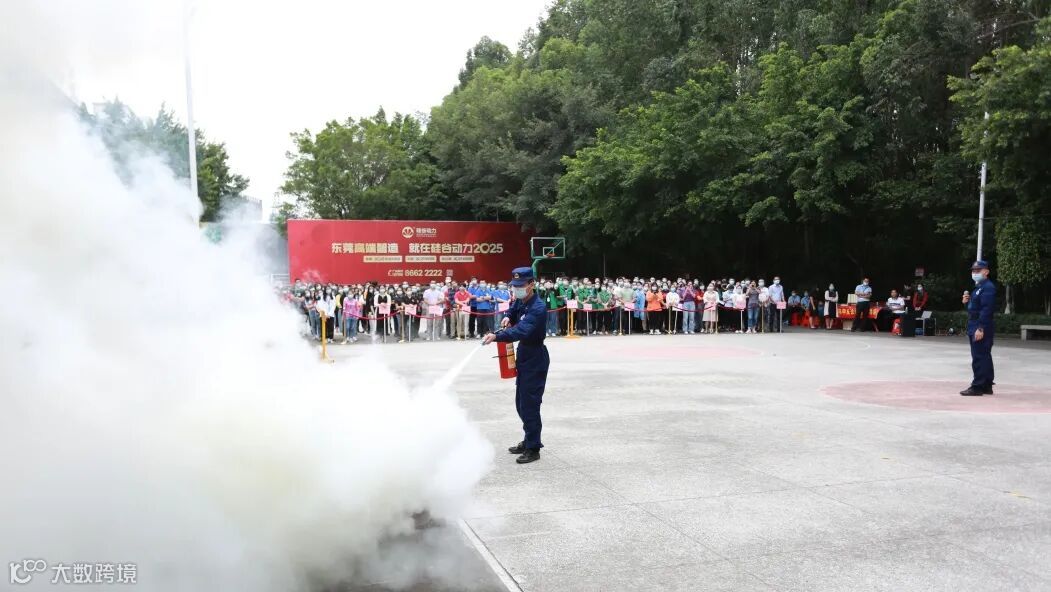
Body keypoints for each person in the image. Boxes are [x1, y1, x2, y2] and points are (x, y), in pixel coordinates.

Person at [483, 267, 549, 464]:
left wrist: (497, 337)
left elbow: (521, 330)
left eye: (521, 286)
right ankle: (528, 439)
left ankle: (533, 448)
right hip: (524, 354)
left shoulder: (538, 307)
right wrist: (508, 316)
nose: (516, 289)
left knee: (530, 405)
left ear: (531, 284)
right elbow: (513, 310)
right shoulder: (522, 300)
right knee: (521, 403)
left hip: (535, 356)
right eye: (514, 286)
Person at [961, 260, 997, 396]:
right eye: (973, 271)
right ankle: (987, 385)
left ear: (986, 272)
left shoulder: (988, 287)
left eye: (978, 270)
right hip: (976, 323)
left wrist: (981, 327)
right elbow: (975, 308)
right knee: (984, 356)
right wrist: (966, 303)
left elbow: (987, 309)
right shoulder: (979, 287)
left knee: (979, 356)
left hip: (980, 325)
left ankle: (977, 386)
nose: (975, 273)